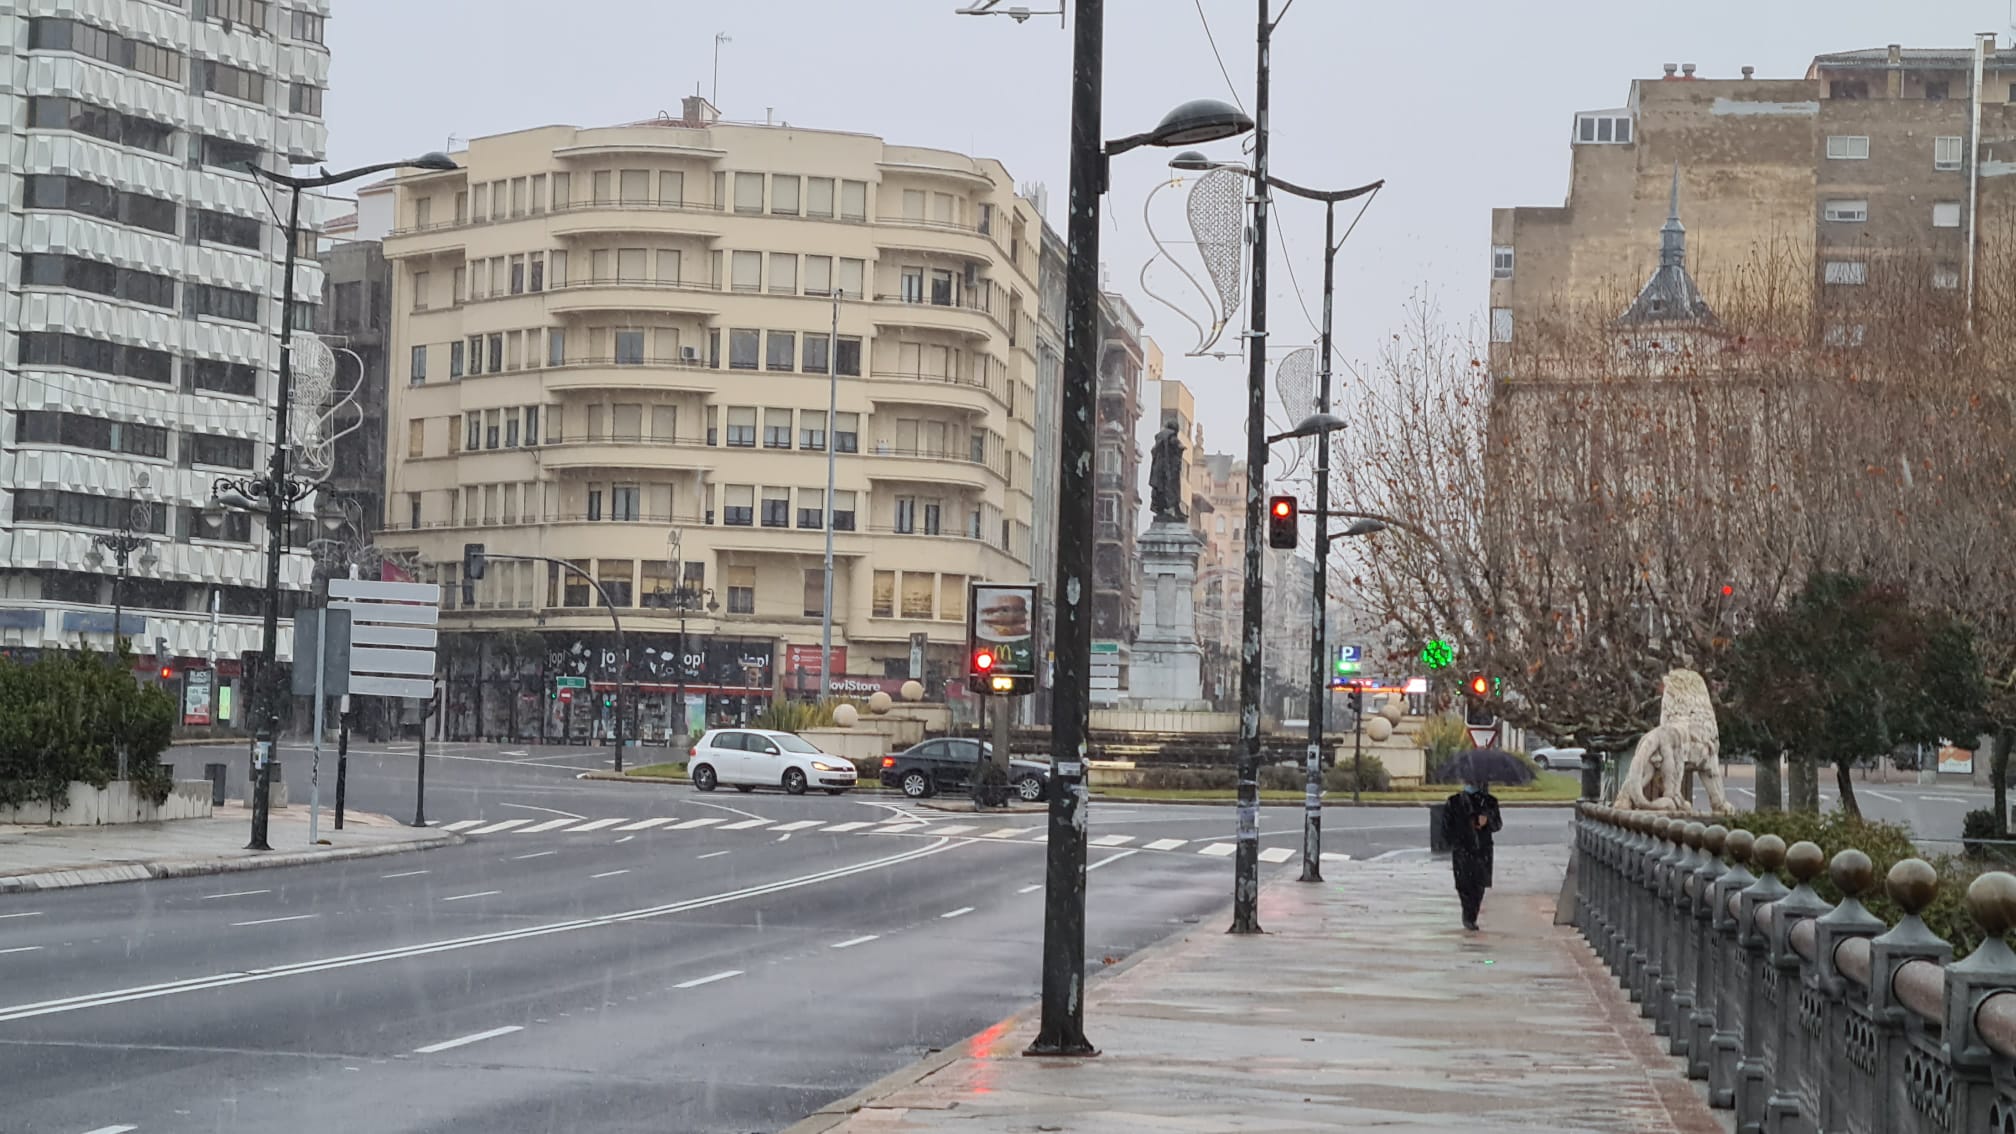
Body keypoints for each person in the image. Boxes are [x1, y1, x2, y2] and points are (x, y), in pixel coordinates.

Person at [1442, 776, 1503, 931]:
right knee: (1463, 884)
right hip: (1463, 849)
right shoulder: (1454, 802)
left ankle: (1471, 915)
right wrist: (1461, 835)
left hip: (1482, 850)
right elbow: (1446, 828)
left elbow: (1497, 825)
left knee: (1478, 885)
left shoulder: (1489, 802)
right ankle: (1467, 914)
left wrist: (1487, 822)